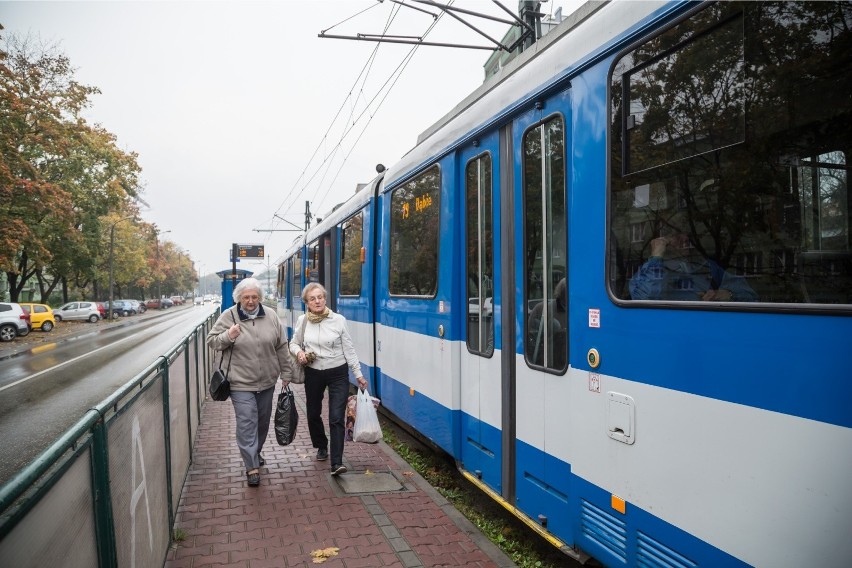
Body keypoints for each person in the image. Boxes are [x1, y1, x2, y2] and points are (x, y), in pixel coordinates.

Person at [206, 277, 295, 487]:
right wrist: (228, 335)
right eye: (246, 297)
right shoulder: (229, 316)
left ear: (260, 298)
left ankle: (255, 451)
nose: (251, 301)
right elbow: (212, 341)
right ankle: (251, 466)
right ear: (239, 298)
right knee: (247, 421)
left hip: (267, 381)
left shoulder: (271, 316)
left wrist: (286, 373)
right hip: (240, 383)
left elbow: (282, 346)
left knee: (262, 422)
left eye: (255, 297)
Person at [290, 282, 367, 476]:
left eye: (320, 297)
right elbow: (293, 343)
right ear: (307, 303)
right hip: (313, 373)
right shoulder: (303, 321)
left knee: (335, 417)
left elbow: (349, 348)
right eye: (312, 299)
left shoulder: (338, 320)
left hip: (337, 372)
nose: (317, 301)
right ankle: (321, 445)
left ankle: (337, 462)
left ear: (325, 298)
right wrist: (299, 352)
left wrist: (358, 374)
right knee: (313, 413)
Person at [629, 233, 758, 302]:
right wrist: (656, 257)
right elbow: (642, 299)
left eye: (688, 236)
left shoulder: (707, 267)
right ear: (662, 241)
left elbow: (751, 296)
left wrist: (729, 294)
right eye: (677, 236)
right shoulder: (649, 271)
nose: (685, 239)